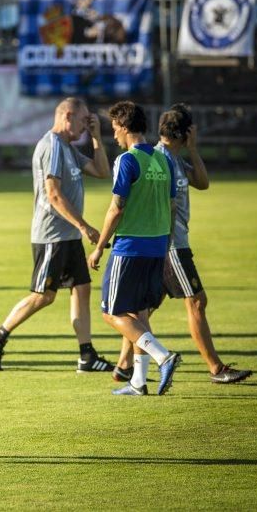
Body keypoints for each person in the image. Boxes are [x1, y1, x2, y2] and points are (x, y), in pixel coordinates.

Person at [112, 104, 252, 384]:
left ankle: (124, 365)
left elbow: (202, 182)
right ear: (186, 132)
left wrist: (193, 149)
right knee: (196, 301)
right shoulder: (161, 159)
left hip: (164, 244)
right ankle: (216, 368)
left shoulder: (173, 159)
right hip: (171, 244)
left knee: (143, 310)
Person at [0, 97, 113, 373]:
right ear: (68, 117)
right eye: (84, 121)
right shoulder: (51, 145)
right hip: (52, 234)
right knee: (44, 295)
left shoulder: (68, 148)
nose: (86, 127)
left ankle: (86, 355)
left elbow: (102, 171)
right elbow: (53, 194)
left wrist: (97, 137)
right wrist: (84, 226)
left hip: (68, 236)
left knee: (82, 289)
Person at [87, 100, 181, 396]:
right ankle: (138, 382)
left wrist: (100, 246)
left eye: (115, 129)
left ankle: (163, 356)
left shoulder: (127, 160)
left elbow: (117, 208)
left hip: (129, 247)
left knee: (111, 312)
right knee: (139, 314)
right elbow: (172, 207)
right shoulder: (164, 160)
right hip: (156, 246)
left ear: (125, 127)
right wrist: (165, 244)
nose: (114, 135)